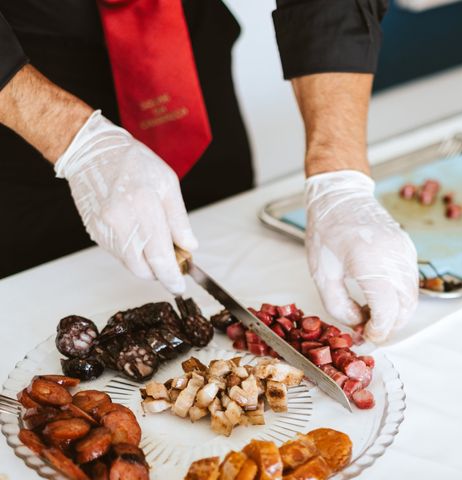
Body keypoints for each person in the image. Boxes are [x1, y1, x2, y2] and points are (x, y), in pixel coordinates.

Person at [0, 0, 418, 342]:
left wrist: (339, 174)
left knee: (225, 244)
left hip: (181, 55)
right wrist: (77, 143)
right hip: (21, 92)